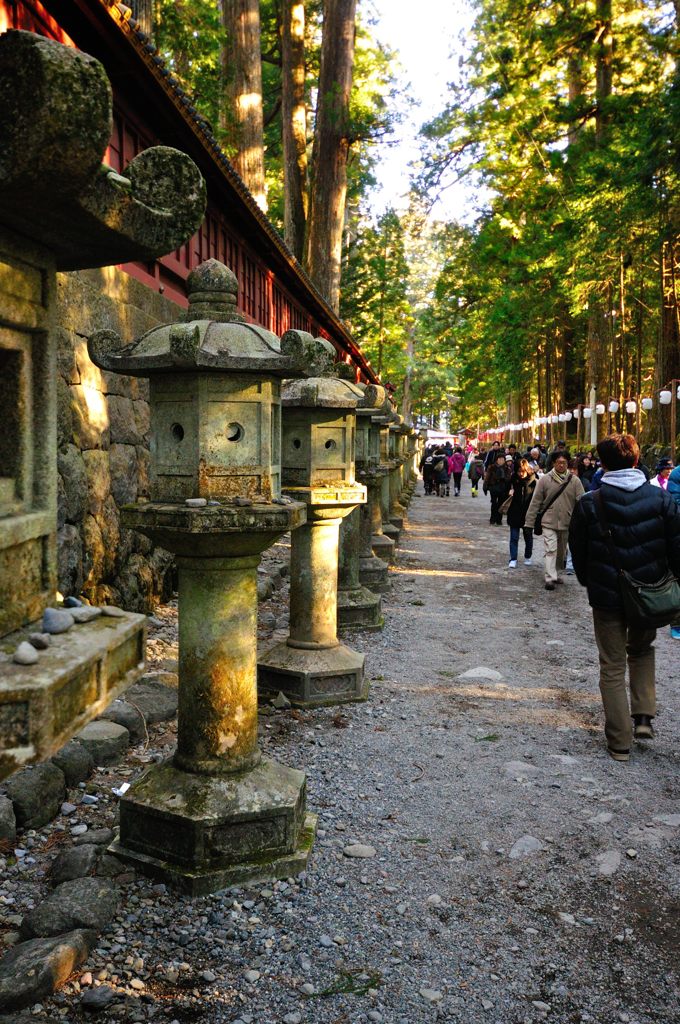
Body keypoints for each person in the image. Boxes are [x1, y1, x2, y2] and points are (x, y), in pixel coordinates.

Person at [569, 433, 680, 761]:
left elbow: (579, 550)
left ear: (602, 464)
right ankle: (643, 716)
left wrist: (590, 582)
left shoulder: (591, 502)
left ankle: (619, 742)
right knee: (643, 650)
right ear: (636, 460)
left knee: (612, 664)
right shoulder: (661, 501)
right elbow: (676, 548)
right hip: (649, 592)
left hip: (606, 596)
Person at [524, 452, 584, 589]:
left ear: (567, 464)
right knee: (551, 548)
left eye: (564, 462)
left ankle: (556, 573)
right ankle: (550, 578)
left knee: (561, 552)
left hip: (567, 522)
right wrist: (529, 523)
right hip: (548, 520)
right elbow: (535, 502)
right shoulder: (545, 480)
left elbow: (582, 502)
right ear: (553, 463)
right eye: (558, 462)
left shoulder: (575, 481)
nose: (561, 465)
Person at [506, 458, 537, 567]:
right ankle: (513, 558)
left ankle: (528, 556)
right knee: (514, 537)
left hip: (528, 513)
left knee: (528, 536)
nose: (520, 474)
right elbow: (504, 493)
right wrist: (508, 493)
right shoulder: (513, 479)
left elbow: (537, 498)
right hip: (514, 512)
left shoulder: (533, 481)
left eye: (522, 471)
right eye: (518, 471)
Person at [483, 453, 511, 525]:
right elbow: (487, 477)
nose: (501, 461)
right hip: (494, 488)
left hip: (502, 489)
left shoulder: (507, 469)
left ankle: (499, 519)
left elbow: (509, 479)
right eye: (500, 459)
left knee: (501, 504)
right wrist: (485, 487)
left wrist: (504, 479)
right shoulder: (492, 467)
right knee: (494, 503)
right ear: (497, 460)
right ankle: (492, 519)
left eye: (502, 459)